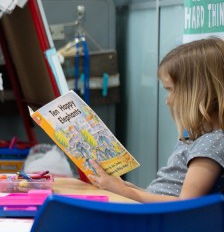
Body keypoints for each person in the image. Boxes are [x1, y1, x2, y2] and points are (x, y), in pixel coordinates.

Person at [89, 37, 224, 201]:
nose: (168, 100)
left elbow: (185, 204)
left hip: (163, 223)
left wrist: (126, 192)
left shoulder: (212, 143)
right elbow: (164, 192)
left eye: (170, 90)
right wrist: (124, 187)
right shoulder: (196, 137)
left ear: (198, 91)